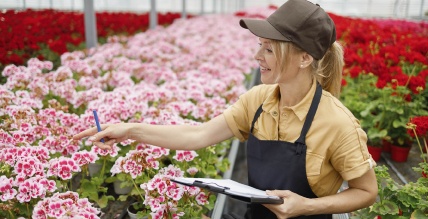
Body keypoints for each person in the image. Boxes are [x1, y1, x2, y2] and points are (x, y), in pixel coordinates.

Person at [73, 0, 378, 218]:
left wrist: (306, 206)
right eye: (259, 45)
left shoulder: (338, 124)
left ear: (304, 58)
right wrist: (129, 130)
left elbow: (366, 192)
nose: (258, 55)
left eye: (269, 49)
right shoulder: (257, 100)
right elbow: (198, 135)